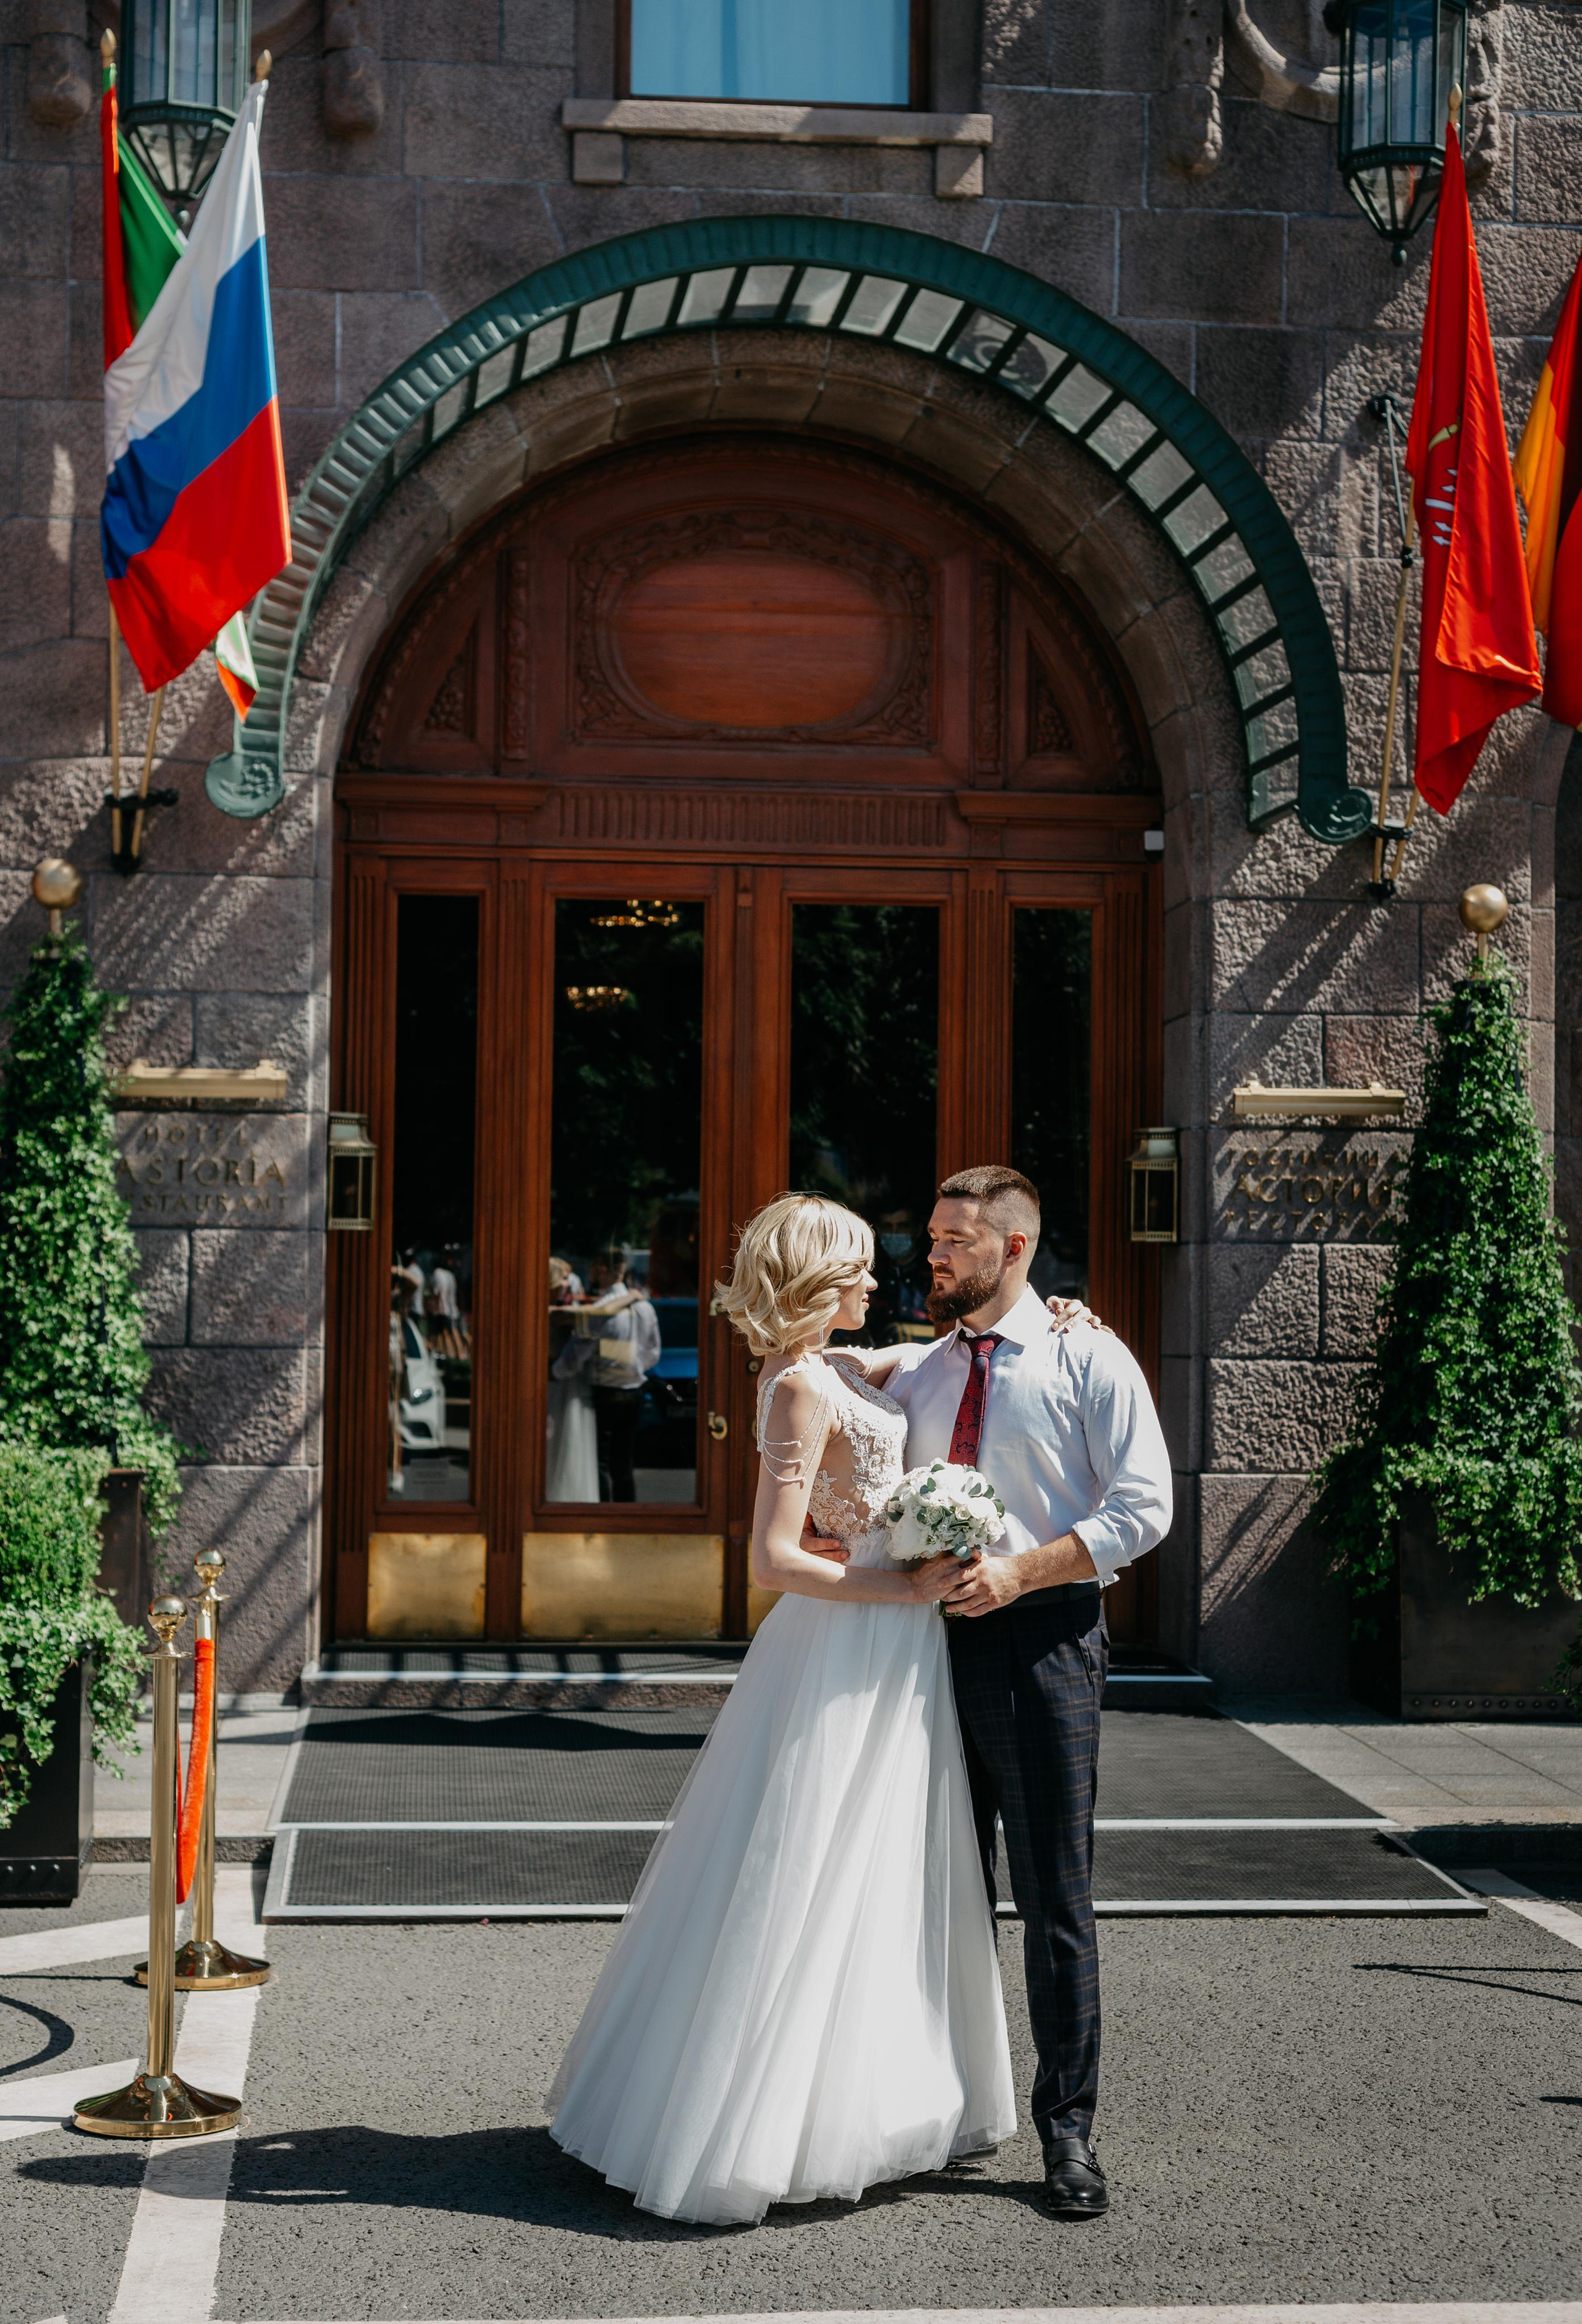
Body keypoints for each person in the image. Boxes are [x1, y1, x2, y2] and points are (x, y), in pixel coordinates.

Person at [548, 1193, 1014, 2224]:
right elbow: (772, 1554)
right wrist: (902, 1586)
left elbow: (934, 1352)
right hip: (846, 1643)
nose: (872, 1281)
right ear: (811, 1283)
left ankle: (880, 2094)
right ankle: (759, 2122)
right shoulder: (799, 1385)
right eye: (852, 1270)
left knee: (887, 1862)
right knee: (811, 1859)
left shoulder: (852, 1365)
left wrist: (1045, 1312)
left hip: (901, 1650)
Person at [830, 1164, 1172, 2220]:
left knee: (1054, 1900)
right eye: (929, 1236)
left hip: (1044, 1644)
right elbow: (814, 1375)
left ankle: (1068, 2133)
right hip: (926, 1653)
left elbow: (1146, 1506)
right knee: (936, 1889)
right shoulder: (923, 1369)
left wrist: (1024, 1569)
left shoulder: (1087, 1353)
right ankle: (945, 2108)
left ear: (1013, 1248)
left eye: (951, 1240)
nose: (928, 1254)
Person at [551, 1249, 661, 1501]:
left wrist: (555, 1372)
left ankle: (604, 1515)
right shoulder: (644, 1308)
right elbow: (653, 1352)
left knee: (599, 1462)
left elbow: (579, 1351)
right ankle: (625, 1516)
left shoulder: (601, 1309)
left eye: (593, 1268)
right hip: (633, 1389)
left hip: (604, 1392)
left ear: (602, 1269)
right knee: (624, 1462)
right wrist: (632, 1367)